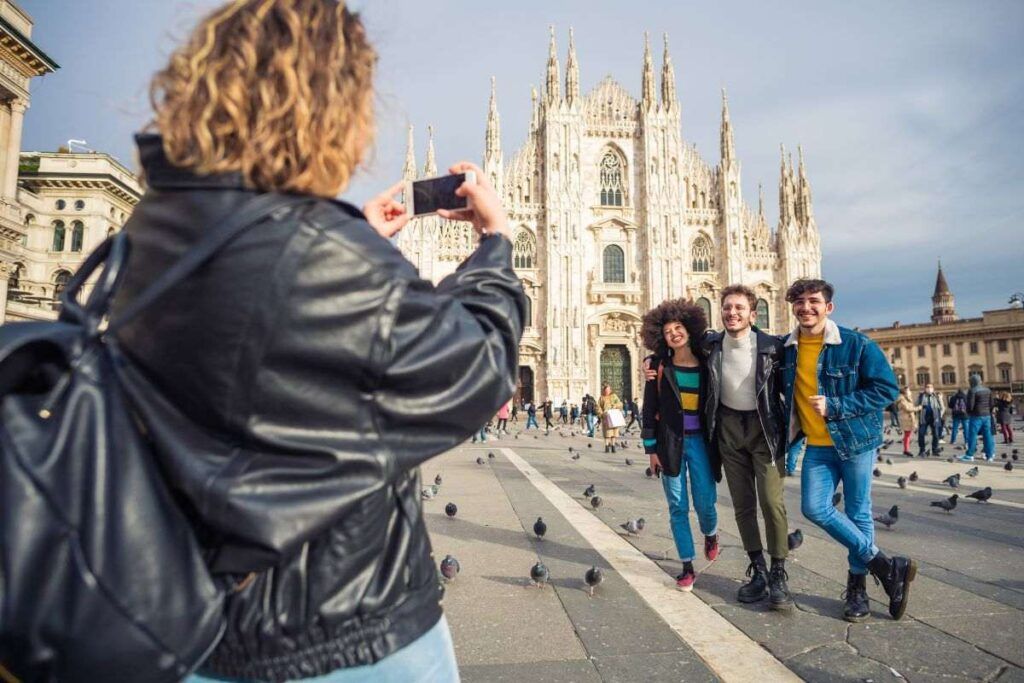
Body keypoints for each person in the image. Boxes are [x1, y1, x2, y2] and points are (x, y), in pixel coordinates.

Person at [111, 3, 525, 681]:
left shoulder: (159, 228)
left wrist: (351, 238)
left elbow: (264, 338)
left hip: (184, 626)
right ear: (329, 107)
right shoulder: (312, 248)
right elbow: (475, 370)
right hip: (341, 636)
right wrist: (496, 246)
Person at [780, 279, 913, 623]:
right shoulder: (787, 349)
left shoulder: (855, 344)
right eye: (799, 302)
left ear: (828, 307)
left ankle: (858, 591)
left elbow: (886, 388)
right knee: (813, 508)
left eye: (813, 302)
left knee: (858, 513)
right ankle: (885, 566)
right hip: (816, 447)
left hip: (855, 442)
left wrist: (837, 405)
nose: (806, 308)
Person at [640, 299, 719, 592]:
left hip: (701, 443)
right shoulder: (659, 366)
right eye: (668, 330)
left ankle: (710, 533)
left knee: (705, 503)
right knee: (677, 506)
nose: (674, 333)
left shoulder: (709, 360)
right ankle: (687, 566)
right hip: (670, 443)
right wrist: (651, 449)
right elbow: (649, 409)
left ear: (689, 328)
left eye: (679, 327)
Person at [961, 374, 994, 462]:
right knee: (987, 436)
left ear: (972, 382)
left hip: (976, 416)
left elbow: (970, 405)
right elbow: (991, 404)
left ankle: (970, 455)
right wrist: (988, 412)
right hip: (987, 416)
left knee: (972, 435)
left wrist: (969, 412)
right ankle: (989, 455)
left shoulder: (972, 391)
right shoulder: (988, 390)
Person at [915, 383, 944, 457]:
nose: (929, 388)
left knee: (936, 434)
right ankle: (922, 450)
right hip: (923, 417)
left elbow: (942, 407)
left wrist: (939, 415)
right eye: (927, 387)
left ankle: (935, 449)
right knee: (921, 434)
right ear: (925, 388)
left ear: (933, 388)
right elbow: (916, 406)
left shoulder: (936, 396)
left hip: (934, 418)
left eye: (930, 387)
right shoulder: (921, 396)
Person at [895, 387, 922, 456]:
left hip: (908, 418)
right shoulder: (902, 399)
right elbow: (908, 408)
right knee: (907, 435)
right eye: (909, 391)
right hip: (906, 419)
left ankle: (906, 449)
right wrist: (918, 408)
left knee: (907, 435)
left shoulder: (906, 399)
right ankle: (906, 450)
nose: (910, 392)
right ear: (905, 392)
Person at [597, 385, 624, 453]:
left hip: (614, 416)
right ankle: (606, 447)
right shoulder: (601, 397)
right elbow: (598, 407)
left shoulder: (614, 396)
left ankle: (613, 446)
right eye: (606, 390)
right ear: (604, 390)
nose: (607, 391)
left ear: (610, 390)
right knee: (607, 433)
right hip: (606, 417)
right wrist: (602, 414)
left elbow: (620, 403)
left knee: (614, 433)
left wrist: (615, 406)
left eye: (608, 390)